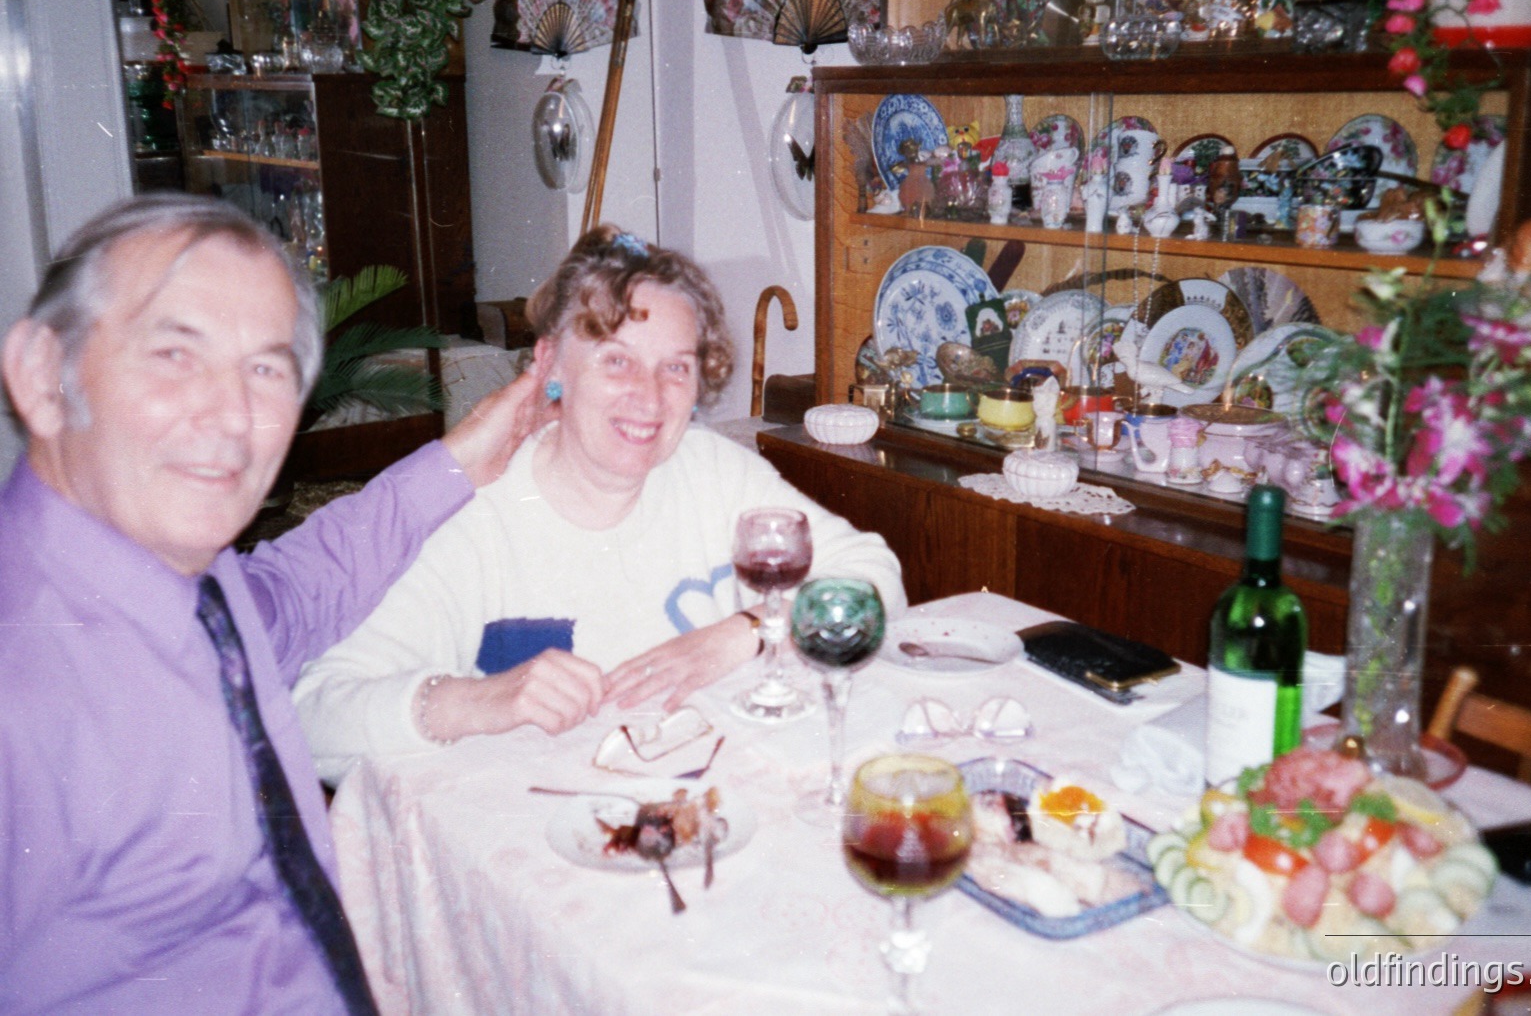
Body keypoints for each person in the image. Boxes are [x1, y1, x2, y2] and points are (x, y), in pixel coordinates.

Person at [0, 194, 545, 1014]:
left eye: (265, 369)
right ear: (43, 376)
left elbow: (295, 590)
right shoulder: (22, 685)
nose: (233, 416)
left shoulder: (189, 580)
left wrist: (462, 459)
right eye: (174, 353)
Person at [293, 226, 905, 783]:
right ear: (550, 365)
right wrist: (478, 701)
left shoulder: (712, 470)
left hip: (712, 811)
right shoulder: (472, 514)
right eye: (617, 360)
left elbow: (876, 582)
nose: (650, 396)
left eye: (676, 367)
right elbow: (312, 716)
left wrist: (744, 634)